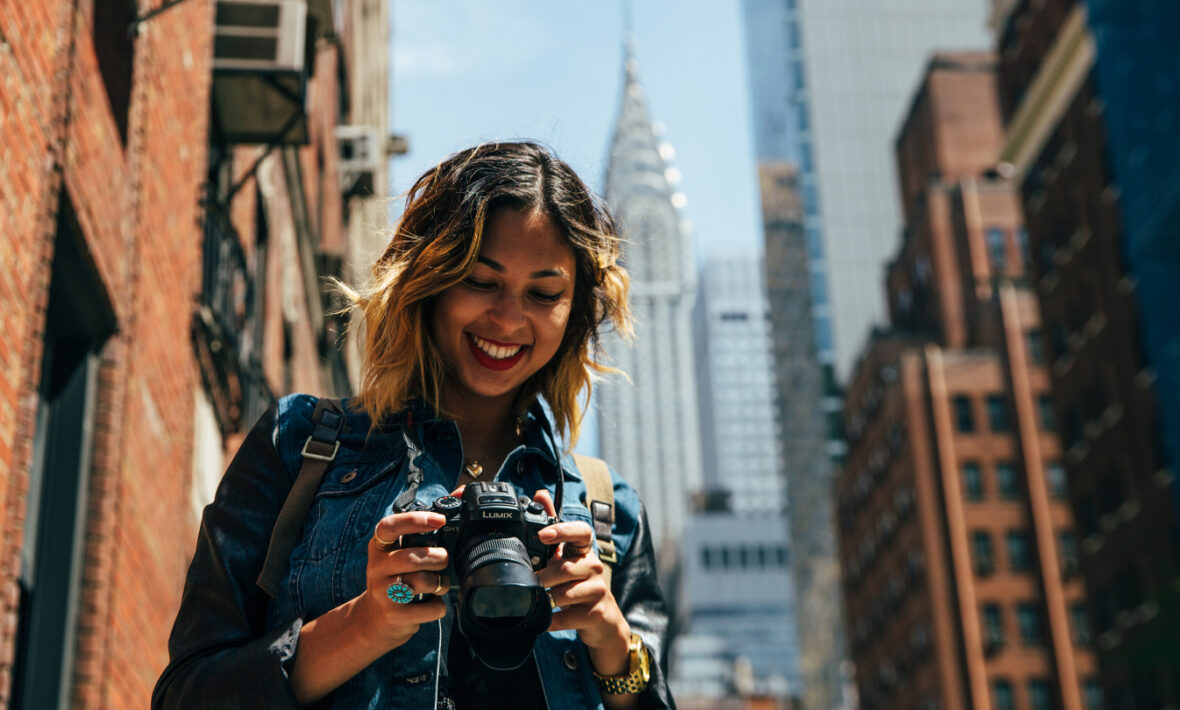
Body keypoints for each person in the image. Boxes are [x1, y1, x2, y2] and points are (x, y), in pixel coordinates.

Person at [152, 141, 674, 709]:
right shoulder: (300, 444)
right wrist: (368, 621)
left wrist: (612, 641)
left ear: (573, 312)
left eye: (543, 293)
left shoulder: (607, 512)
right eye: (480, 280)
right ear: (430, 276)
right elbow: (187, 697)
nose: (508, 318)